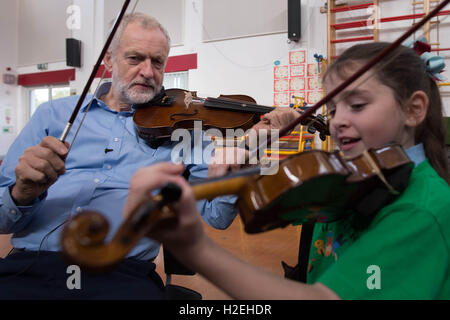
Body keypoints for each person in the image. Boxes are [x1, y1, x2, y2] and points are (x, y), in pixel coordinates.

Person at [0, 12, 297, 299]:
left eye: (157, 62)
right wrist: (22, 192)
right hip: (30, 266)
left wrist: (255, 143)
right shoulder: (54, 114)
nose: (147, 71)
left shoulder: (184, 130)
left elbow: (217, 216)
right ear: (108, 60)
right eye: (135, 58)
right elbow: (3, 219)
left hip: (121, 274)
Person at [124, 41, 450, 299]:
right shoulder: (363, 178)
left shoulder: (419, 209)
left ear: (413, 109)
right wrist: (250, 148)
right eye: (333, 109)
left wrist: (195, 248)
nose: (336, 121)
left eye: (358, 105)